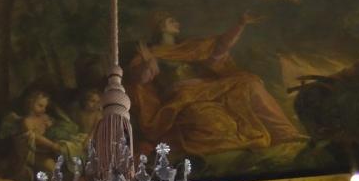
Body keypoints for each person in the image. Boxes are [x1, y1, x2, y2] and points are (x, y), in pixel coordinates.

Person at [126, 10, 301, 157]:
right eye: (171, 21)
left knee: (250, 83)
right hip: (184, 96)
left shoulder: (191, 47)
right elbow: (139, 82)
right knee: (216, 124)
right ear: (160, 26)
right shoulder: (149, 53)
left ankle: (285, 134)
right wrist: (148, 64)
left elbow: (220, 48)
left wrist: (240, 25)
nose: (177, 23)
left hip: (209, 88)